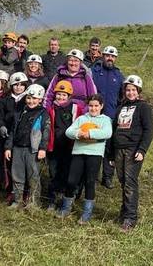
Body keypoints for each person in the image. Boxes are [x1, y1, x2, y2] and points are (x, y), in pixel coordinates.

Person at [108, 75, 153, 231]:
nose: (130, 92)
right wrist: (110, 154)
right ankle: (124, 212)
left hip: (133, 149)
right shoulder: (120, 107)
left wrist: (142, 150)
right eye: (128, 90)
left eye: (133, 90)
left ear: (138, 91)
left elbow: (148, 131)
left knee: (130, 183)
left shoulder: (144, 107)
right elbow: (114, 129)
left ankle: (130, 218)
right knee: (123, 182)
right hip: (118, 148)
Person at [59, 93, 112, 224]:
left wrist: (90, 133)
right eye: (91, 106)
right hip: (79, 152)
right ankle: (66, 208)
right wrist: (78, 134)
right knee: (71, 181)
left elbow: (107, 133)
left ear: (101, 106)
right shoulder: (82, 119)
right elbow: (68, 131)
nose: (93, 109)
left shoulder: (105, 120)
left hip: (95, 154)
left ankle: (86, 213)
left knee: (90, 182)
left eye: (96, 106)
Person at [4, 84, 50, 209]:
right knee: (17, 175)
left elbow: (46, 132)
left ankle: (34, 202)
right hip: (17, 148)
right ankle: (17, 201)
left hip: (33, 150)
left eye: (34, 98)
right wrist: (8, 147)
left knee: (33, 176)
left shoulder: (43, 113)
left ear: (40, 100)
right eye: (29, 98)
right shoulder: (20, 112)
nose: (31, 101)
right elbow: (12, 130)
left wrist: (42, 148)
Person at [44, 80, 85, 211]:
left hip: (70, 148)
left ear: (69, 96)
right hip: (54, 147)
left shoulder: (75, 109)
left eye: (64, 95)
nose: (61, 97)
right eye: (59, 94)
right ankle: (52, 199)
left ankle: (64, 198)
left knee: (67, 173)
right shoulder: (51, 109)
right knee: (54, 172)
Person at [91, 45, 124, 189]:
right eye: (107, 55)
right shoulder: (94, 72)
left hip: (111, 116)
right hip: (95, 116)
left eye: (113, 56)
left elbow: (122, 97)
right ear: (102, 56)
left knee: (110, 148)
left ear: (115, 58)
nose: (110, 58)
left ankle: (108, 177)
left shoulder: (119, 75)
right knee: (93, 144)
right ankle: (92, 175)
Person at [0, 72, 30, 200]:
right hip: (6, 135)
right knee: (8, 164)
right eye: (16, 85)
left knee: (22, 165)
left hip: (22, 137)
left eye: (21, 85)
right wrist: (1, 126)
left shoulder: (28, 99)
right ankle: (10, 189)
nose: (18, 87)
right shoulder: (5, 99)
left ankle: (25, 191)